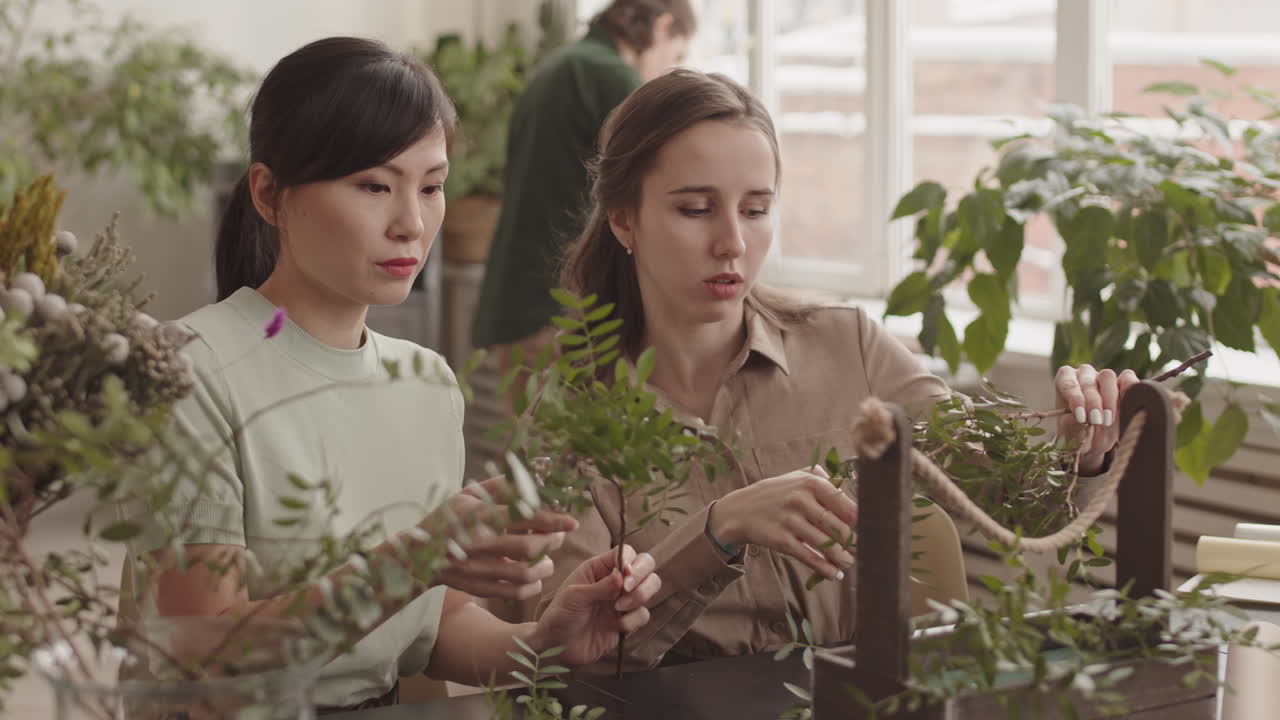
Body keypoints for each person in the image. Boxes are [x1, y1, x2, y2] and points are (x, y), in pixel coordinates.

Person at [120, 37, 661, 713]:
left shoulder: (427, 386)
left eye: (432, 187)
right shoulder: (192, 372)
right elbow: (205, 651)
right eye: (374, 186)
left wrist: (542, 642)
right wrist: (413, 560)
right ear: (268, 194)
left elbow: (433, 631)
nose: (412, 223)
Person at [539, 68, 1141, 672]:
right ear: (623, 218)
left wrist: (1079, 448)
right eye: (696, 210)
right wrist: (719, 530)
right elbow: (581, 655)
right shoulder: (570, 416)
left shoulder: (848, 345)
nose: (732, 242)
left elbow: (1015, 505)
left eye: (755, 209)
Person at [470, 0, 697, 397]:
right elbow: (667, 179)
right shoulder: (610, 76)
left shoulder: (559, 66)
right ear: (661, 26)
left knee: (529, 454)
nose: (664, 70)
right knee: (567, 455)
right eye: (675, 55)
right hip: (560, 309)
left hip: (517, 300)